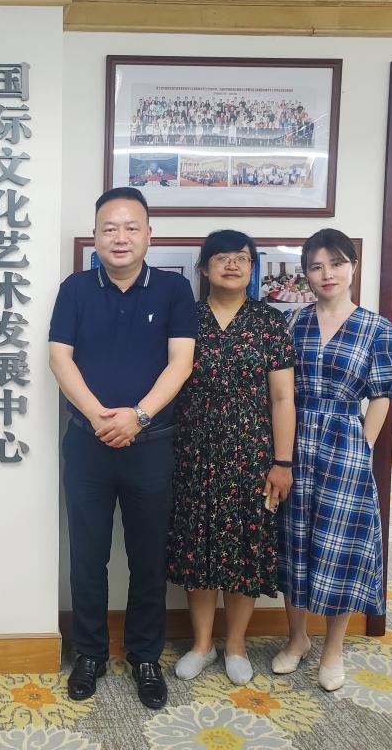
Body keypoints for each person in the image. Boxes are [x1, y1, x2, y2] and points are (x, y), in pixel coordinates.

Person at [49, 187, 197, 709]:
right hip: (87, 444)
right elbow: (59, 358)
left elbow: (181, 362)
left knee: (148, 558)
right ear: (95, 235)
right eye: (109, 228)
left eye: (132, 227)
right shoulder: (75, 289)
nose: (120, 237)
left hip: (151, 444)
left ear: (149, 235)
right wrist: (98, 416)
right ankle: (90, 653)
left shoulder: (174, 290)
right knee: (87, 556)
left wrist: (138, 416)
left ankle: (144, 656)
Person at [274, 228, 392, 692]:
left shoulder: (377, 328)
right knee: (293, 542)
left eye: (336, 263)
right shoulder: (291, 323)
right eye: (316, 266)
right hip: (293, 444)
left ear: (353, 267)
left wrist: (363, 446)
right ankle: (297, 639)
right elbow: (279, 391)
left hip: (344, 442)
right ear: (305, 274)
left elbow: (382, 395)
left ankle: (333, 649)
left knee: (340, 546)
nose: (327, 274)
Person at [167, 230, 296, 685]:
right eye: (221, 257)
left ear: (252, 268)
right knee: (198, 548)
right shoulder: (186, 317)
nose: (232, 264)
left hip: (252, 455)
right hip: (193, 452)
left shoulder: (269, 322)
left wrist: (283, 462)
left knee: (245, 550)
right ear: (204, 268)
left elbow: (283, 398)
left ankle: (236, 644)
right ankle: (202, 644)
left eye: (242, 257)